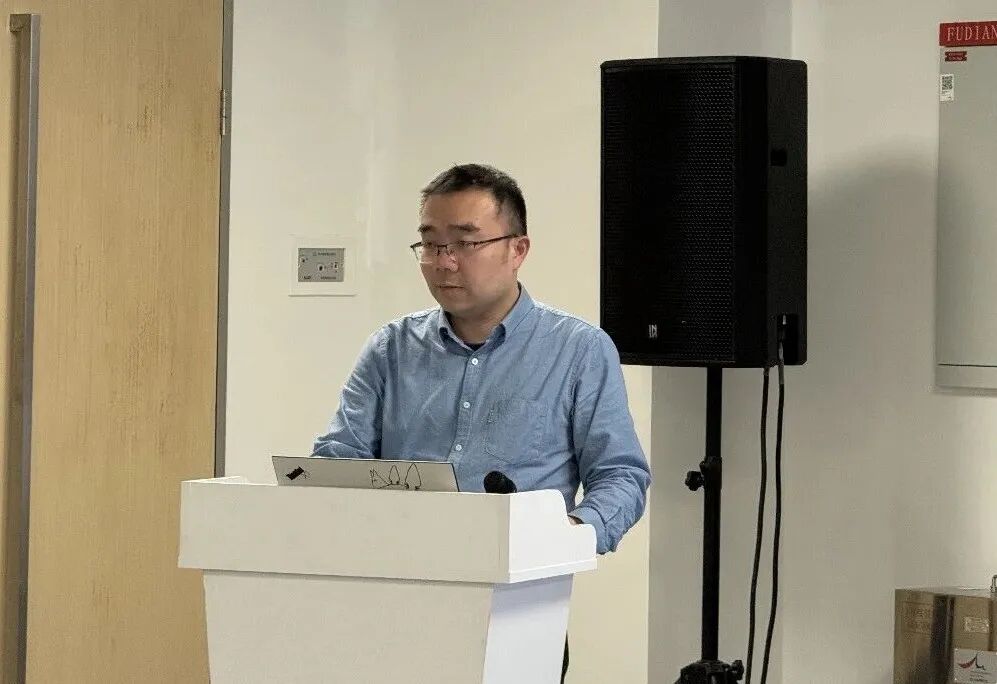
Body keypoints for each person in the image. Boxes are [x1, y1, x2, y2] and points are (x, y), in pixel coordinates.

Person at [312, 163, 651, 682]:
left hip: (520, 610)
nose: (443, 262)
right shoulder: (390, 349)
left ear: (518, 249)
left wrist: (573, 531)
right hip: (395, 601)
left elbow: (621, 474)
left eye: (465, 243)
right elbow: (338, 463)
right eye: (430, 244)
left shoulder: (578, 350)